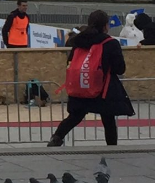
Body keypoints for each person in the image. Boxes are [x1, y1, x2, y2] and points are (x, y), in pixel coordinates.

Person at [48, 9, 134, 147]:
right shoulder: (110, 43)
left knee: (75, 117)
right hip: (102, 89)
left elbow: (70, 63)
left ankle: (56, 138)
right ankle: (111, 148)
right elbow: (120, 69)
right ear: (105, 25)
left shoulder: (78, 41)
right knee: (108, 119)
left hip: (80, 87)